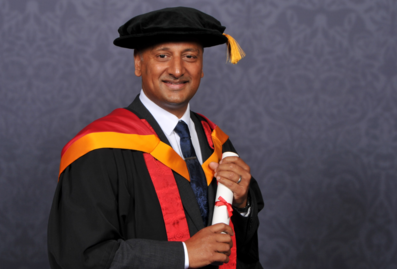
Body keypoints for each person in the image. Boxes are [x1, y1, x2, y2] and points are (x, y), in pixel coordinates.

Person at [48, 6, 264, 269]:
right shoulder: (98, 150)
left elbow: (243, 250)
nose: (177, 70)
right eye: (163, 55)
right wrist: (184, 254)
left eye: (190, 56)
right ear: (139, 63)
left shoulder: (216, 141)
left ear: (202, 66)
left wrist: (242, 205)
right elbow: (81, 257)